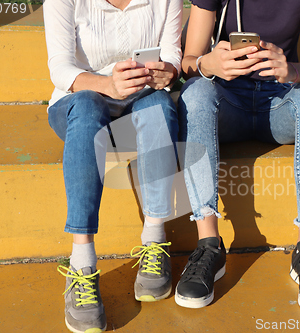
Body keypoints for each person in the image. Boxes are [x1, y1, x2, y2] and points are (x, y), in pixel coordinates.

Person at [177, 0, 300, 314]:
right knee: (196, 93)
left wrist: (293, 70)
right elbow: (189, 62)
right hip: (227, 103)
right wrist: (210, 64)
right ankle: (209, 244)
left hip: (281, 102)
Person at [44, 0, 182, 331]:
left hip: (139, 98)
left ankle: (154, 241)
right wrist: (107, 85)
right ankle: (82, 264)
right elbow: (60, 69)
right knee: (90, 103)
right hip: (81, 102)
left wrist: (167, 72)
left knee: (160, 104)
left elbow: (173, 54)